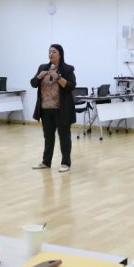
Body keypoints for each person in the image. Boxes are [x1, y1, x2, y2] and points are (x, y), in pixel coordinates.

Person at [29, 43, 77, 173]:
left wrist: (58, 77)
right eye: (49, 52)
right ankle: (46, 162)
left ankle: (65, 163)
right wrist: (39, 76)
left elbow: (71, 86)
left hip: (61, 110)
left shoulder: (67, 69)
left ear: (60, 54)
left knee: (64, 137)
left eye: (54, 52)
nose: (51, 54)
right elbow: (33, 83)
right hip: (45, 108)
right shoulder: (42, 68)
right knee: (48, 137)